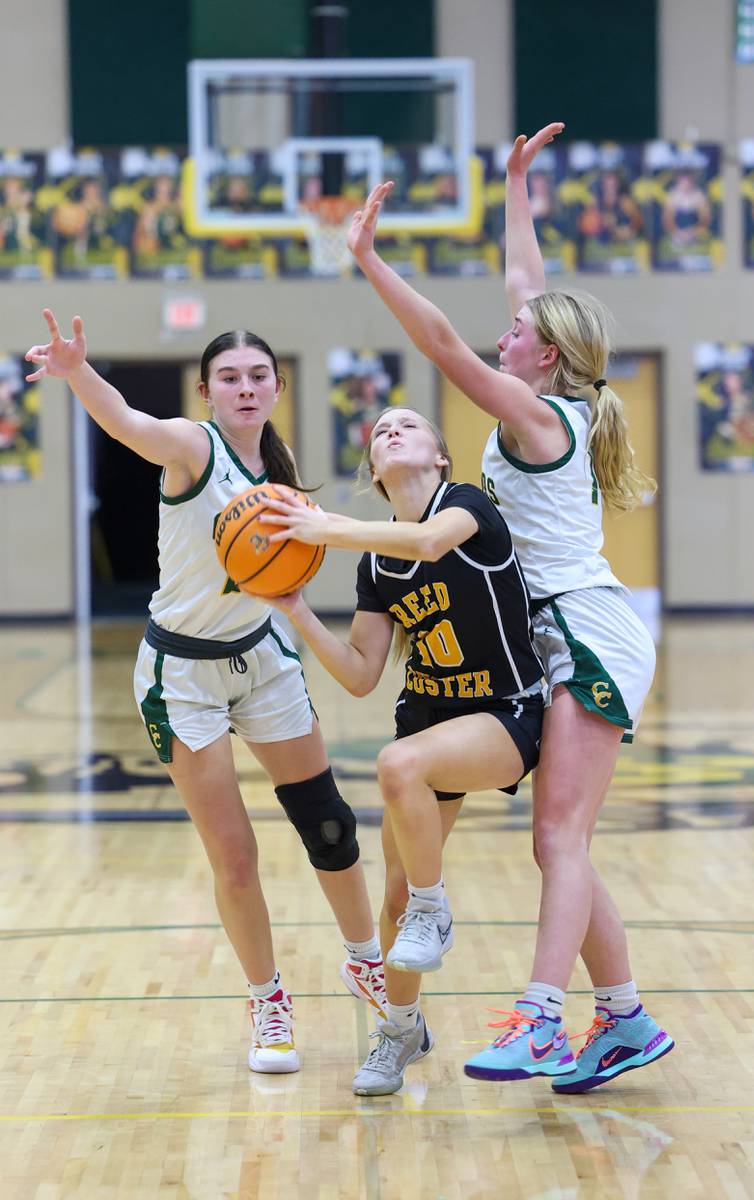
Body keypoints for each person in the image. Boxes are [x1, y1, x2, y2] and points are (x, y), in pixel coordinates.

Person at [343, 124, 674, 1094]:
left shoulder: (539, 416)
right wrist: (517, 184)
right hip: (559, 629)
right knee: (561, 838)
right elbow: (522, 276)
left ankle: (538, 1021)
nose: (506, 330)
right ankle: (621, 1020)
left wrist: (369, 259)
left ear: (546, 355)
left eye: (519, 332)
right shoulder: (549, 399)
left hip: (583, 627)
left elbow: (441, 341)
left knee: (555, 838)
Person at [24, 311, 386, 1075]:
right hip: (181, 674)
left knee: (327, 824)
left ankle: (370, 967)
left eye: (259, 376)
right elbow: (125, 422)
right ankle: (268, 1002)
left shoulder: (281, 481)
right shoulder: (194, 447)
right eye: (230, 377)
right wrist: (77, 371)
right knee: (236, 855)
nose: (246, 387)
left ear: (278, 388)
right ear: (207, 390)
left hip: (261, 659)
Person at [259, 405, 545, 1094]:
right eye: (381, 430)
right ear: (375, 470)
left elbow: (426, 544)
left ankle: (434, 907)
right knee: (390, 896)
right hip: (429, 720)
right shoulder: (378, 566)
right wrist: (295, 609)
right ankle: (402, 1026)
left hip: (505, 714)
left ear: (439, 457)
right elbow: (360, 673)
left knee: (399, 765)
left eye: (409, 425)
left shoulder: (466, 507)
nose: (391, 430)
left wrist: (323, 528)